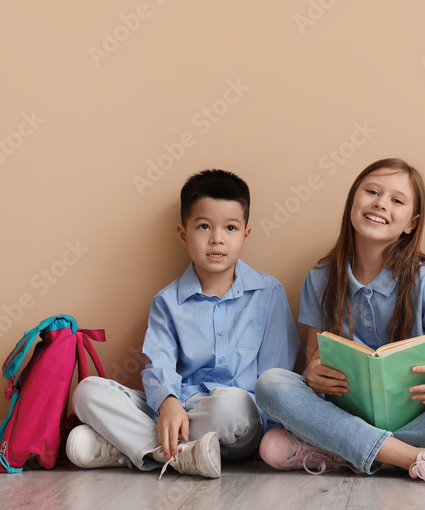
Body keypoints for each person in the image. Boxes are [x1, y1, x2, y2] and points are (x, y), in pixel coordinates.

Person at [255, 158, 425, 485]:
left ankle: (341, 451)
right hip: (342, 412)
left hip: (419, 415)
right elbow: (312, 362)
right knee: (270, 383)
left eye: (397, 200)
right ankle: (414, 459)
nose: (380, 203)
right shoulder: (319, 279)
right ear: (352, 203)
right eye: (372, 192)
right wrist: (314, 373)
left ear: (411, 223)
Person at [66, 169, 300, 479]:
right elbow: (158, 363)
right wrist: (168, 402)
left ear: (245, 235)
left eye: (230, 228)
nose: (217, 238)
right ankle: (182, 455)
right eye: (204, 226)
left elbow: (276, 377)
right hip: (177, 409)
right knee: (86, 391)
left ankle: (137, 449)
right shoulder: (167, 301)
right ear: (183, 234)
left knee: (234, 406)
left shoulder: (268, 293)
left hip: (234, 421)